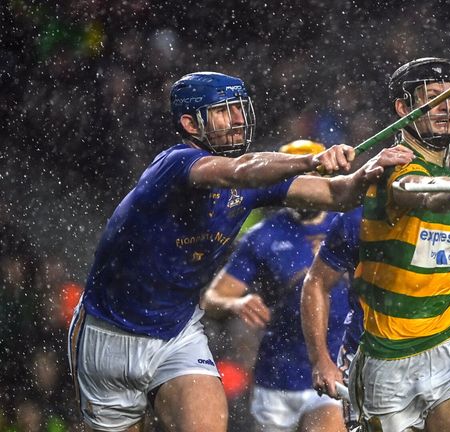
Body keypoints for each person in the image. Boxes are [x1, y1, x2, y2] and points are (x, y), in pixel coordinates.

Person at [66, 71, 413, 432]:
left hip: (178, 332)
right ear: (189, 123)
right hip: (109, 334)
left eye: (239, 109)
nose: (237, 120)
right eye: (223, 111)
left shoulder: (252, 180)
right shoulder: (174, 164)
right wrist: (311, 160)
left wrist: (369, 172)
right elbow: (239, 172)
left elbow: (338, 195)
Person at [301, 58, 450, 432]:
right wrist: (320, 359)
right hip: (383, 359)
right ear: (404, 108)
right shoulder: (387, 176)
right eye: (433, 98)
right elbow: (416, 196)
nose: (446, 107)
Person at [301, 204, 450, 429]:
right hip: (374, 359)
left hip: (447, 357)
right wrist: (320, 359)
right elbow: (316, 282)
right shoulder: (358, 219)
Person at [201, 140, 347, 432]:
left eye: (312, 175)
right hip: (277, 378)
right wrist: (236, 304)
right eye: (295, 179)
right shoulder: (263, 236)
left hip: (336, 370)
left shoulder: (346, 225)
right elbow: (212, 298)